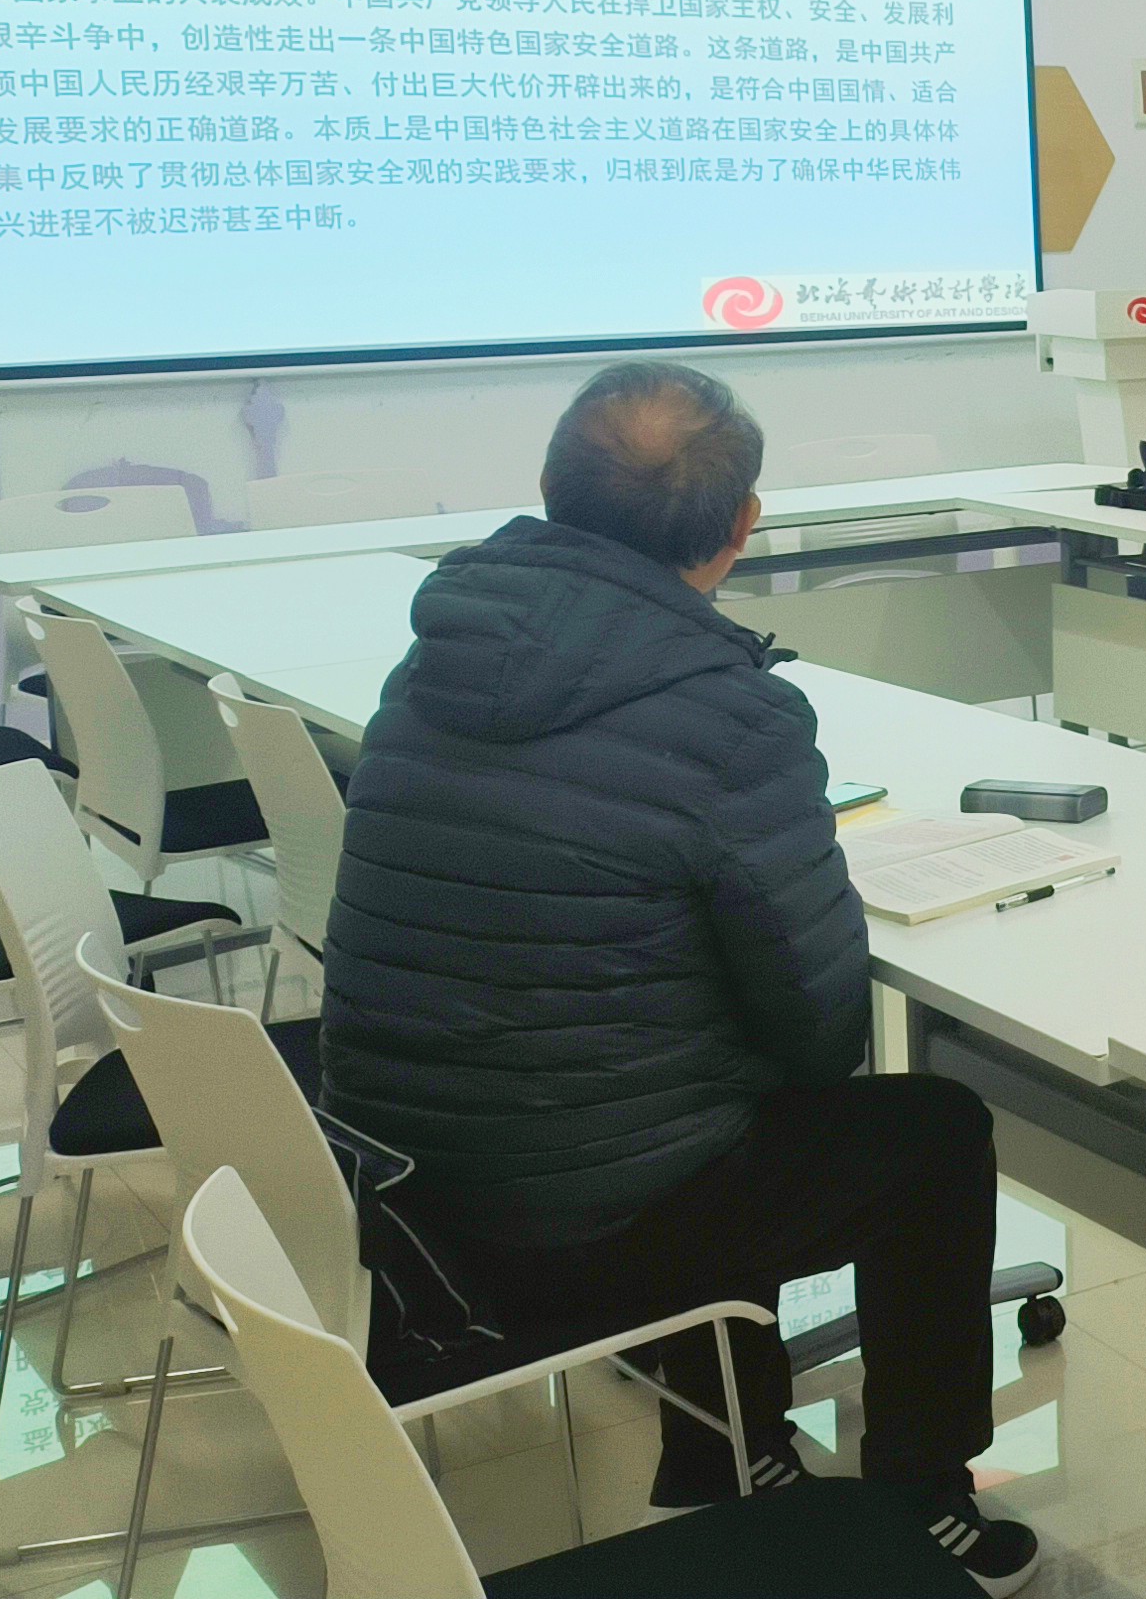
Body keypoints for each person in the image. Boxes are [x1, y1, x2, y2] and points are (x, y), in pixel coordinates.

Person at [320, 360, 1037, 1593]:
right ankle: (920, 1496)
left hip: (401, 1189)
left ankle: (729, 1449)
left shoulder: (437, 655)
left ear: (549, 489)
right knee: (928, 1132)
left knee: (677, 1085)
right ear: (742, 525)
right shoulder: (730, 716)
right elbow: (822, 1031)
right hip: (568, 1227)